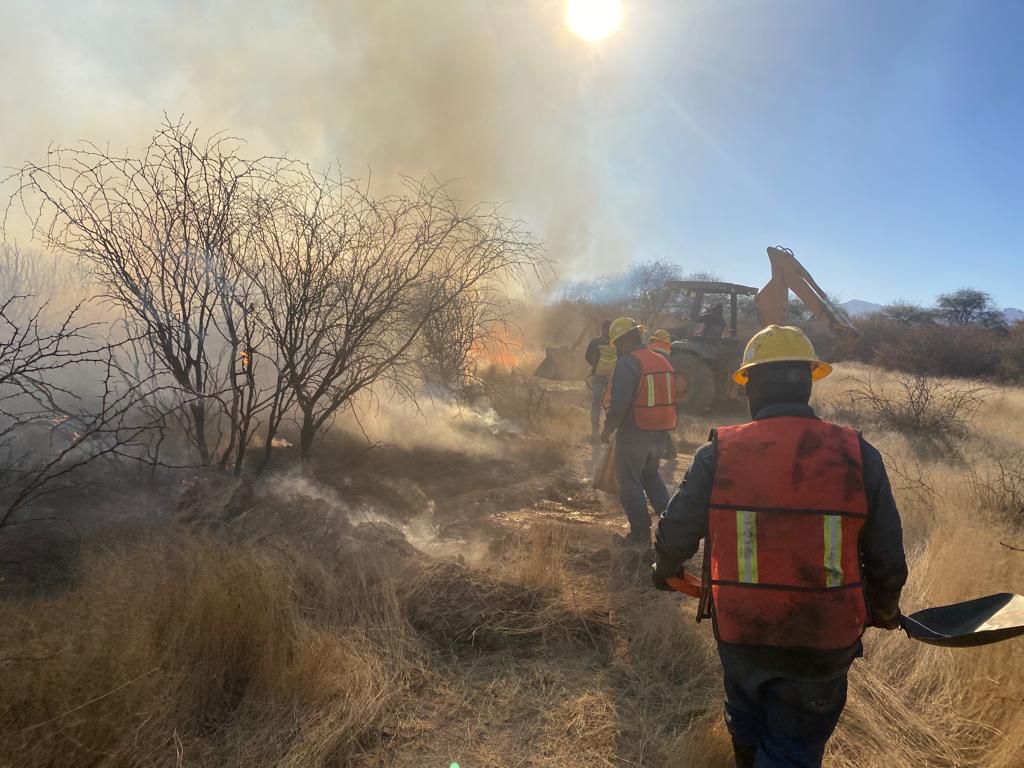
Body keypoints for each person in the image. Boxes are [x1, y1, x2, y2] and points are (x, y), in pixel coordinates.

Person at [651, 325, 908, 768]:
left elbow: (675, 533)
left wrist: (664, 568)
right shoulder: (858, 454)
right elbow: (887, 559)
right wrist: (884, 611)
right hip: (823, 639)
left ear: (751, 387)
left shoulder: (718, 453)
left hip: (742, 632)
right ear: (809, 382)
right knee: (793, 749)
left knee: (745, 729)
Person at [601, 317, 677, 546]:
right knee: (650, 476)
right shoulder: (661, 360)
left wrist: (607, 429)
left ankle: (639, 535)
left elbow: (620, 403)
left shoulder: (628, 362)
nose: (618, 349)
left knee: (629, 483)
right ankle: (672, 528)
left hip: (635, 431)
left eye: (617, 343)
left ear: (624, 339)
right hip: (660, 432)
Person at [646, 329, 678, 460]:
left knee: (654, 424)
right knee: (660, 425)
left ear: (655, 340)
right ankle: (670, 451)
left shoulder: (652, 355)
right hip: (667, 396)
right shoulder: (669, 356)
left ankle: (660, 452)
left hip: (653, 395)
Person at [584, 320, 616, 442]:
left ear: (602, 328)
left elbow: (587, 356)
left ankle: (594, 431)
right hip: (612, 377)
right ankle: (609, 430)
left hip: (598, 375)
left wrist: (595, 365)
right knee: (611, 403)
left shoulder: (595, 341)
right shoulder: (616, 341)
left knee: (596, 403)